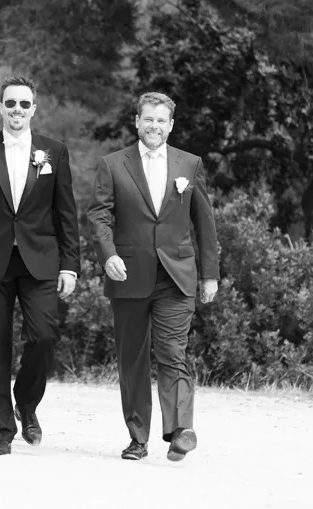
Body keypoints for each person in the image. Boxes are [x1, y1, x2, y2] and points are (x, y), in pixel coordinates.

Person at [0, 76, 81, 455]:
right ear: (1, 108)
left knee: (43, 336)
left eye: (24, 104)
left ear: (34, 109)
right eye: (10, 104)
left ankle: (25, 401)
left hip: (40, 260)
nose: (17, 110)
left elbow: (65, 212)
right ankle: (1, 431)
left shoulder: (54, 152)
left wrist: (69, 264)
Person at [86, 92, 219, 462]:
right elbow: (98, 216)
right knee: (132, 359)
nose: (154, 126)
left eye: (161, 121)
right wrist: (108, 254)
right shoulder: (113, 165)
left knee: (173, 352)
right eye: (148, 119)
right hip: (128, 273)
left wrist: (210, 275)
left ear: (171, 125)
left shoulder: (189, 165)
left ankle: (180, 430)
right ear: (137, 122)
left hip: (176, 275)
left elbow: (204, 222)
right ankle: (138, 437)